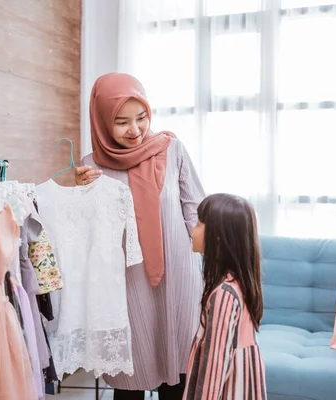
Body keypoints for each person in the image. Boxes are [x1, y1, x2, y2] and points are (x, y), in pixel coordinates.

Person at [76, 72, 205, 399]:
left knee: (178, 381)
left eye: (142, 117)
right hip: (126, 283)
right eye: (121, 122)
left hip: (178, 276)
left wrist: (213, 265)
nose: (135, 130)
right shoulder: (91, 166)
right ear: (103, 121)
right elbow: (90, 235)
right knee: (128, 382)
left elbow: (195, 209)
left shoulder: (172, 149)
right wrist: (83, 195)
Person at [183, 193, 267, 400]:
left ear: (217, 237)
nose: (193, 229)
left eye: (199, 224)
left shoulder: (224, 294)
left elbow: (215, 364)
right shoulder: (238, 283)